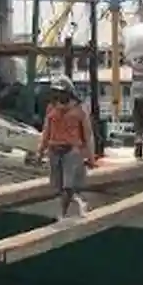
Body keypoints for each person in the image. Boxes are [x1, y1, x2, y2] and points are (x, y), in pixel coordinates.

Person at [36, 76, 95, 220]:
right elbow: (46, 131)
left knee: (68, 186)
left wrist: (91, 157)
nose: (58, 96)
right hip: (54, 150)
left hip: (72, 150)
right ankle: (80, 202)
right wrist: (40, 151)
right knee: (58, 187)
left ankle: (62, 214)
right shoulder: (51, 108)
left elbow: (87, 134)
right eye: (55, 92)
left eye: (61, 92)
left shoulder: (80, 109)